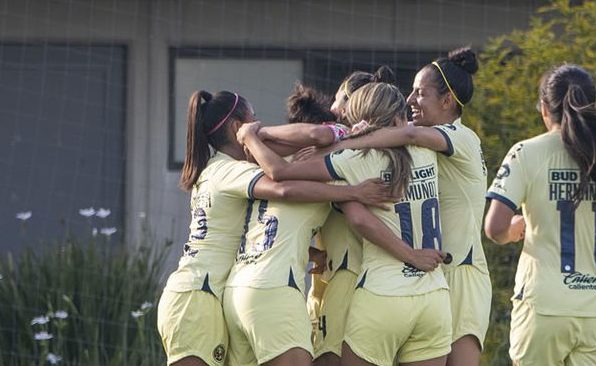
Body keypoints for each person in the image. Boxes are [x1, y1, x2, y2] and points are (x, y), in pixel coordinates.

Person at [157, 90, 390, 366]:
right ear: (236, 128)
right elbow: (282, 186)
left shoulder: (222, 169)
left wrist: (311, 253)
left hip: (228, 292)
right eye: (254, 120)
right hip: (218, 294)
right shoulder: (235, 171)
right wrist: (354, 190)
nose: (263, 129)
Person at [250, 82, 450, 366]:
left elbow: (280, 172)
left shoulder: (351, 160)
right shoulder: (428, 152)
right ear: (398, 119)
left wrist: (253, 135)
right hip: (434, 295)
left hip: (383, 293)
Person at [322, 47, 491, 366]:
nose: (410, 100)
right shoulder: (423, 147)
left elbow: (409, 133)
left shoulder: (458, 137)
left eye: (419, 92)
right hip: (428, 276)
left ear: (446, 101)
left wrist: (344, 143)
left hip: (462, 272)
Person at [484, 64, 596, 366]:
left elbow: (494, 227)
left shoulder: (525, 152)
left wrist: (512, 230)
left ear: (543, 108)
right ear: (592, 106)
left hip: (544, 305)